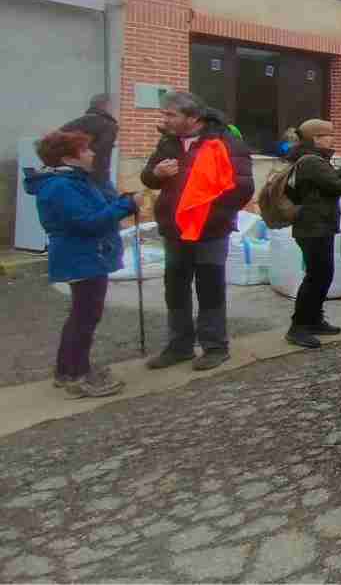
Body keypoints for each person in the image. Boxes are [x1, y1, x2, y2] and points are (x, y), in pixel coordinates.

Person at [140, 91, 254, 372]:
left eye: (170, 114)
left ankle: (215, 347)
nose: (164, 119)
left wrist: (207, 214)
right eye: (164, 113)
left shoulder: (226, 142)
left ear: (193, 118)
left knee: (209, 287)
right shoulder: (169, 142)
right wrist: (157, 174)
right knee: (175, 289)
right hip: (174, 229)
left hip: (210, 231)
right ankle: (179, 346)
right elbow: (148, 177)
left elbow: (242, 188)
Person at [26, 130, 137, 398]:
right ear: (69, 157)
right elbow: (87, 223)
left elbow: (93, 212)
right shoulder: (61, 186)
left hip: (86, 255)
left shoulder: (72, 180)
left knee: (81, 315)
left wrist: (120, 201)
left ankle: (67, 371)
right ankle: (77, 376)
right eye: (85, 150)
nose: (92, 153)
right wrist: (125, 207)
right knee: (85, 317)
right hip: (81, 256)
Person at [283, 119, 341, 349]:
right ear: (316, 138)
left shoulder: (315, 160)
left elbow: (332, 178)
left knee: (322, 275)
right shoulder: (311, 161)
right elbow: (338, 186)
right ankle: (298, 326)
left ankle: (314, 319)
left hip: (317, 226)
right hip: (313, 227)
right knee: (316, 277)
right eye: (328, 135)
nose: (332, 138)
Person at [60, 94, 118, 188]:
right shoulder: (109, 126)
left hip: (72, 176)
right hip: (96, 179)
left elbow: (53, 146)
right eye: (113, 106)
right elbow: (102, 155)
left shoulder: (72, 124)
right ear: (106, 106)